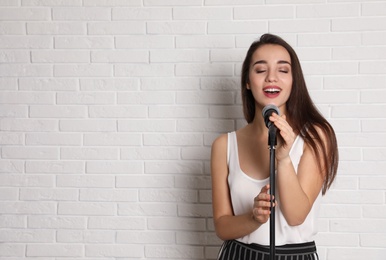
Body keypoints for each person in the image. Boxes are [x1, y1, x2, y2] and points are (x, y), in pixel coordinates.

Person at [210, 33, 338, 260]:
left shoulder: (316, 136)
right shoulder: (224, 145)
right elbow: (222, 226)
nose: (272, 78)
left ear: (293, 80)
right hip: (238, 254)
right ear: (248, 82)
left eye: (283, 70)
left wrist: (283, 158)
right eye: (260, 70)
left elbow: (296, 215)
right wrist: (253, 218)